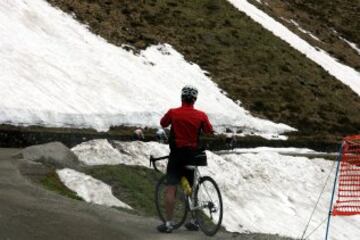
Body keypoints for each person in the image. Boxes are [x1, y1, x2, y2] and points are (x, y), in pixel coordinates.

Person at [157, 85, 213, 233]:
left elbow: (163, 123)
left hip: (176, 155)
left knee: (171, 188)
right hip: (191, 155)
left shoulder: (173, 112)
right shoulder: (201, 115)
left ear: (182, 98)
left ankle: (168, 224)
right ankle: (194, 220)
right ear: (194, 100)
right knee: (191, 188)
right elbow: (208, 130)